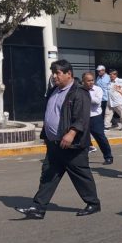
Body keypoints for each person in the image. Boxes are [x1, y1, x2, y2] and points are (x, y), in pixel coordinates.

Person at [14, 60, 101, 219]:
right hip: (54, 144)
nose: (54, 76)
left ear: (69, 74)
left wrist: (72, 133)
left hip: (72, 145)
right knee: (48, 175)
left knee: (81, 175)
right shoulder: (54, 90)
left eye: (58, 73)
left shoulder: (79, 92)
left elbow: (82, 118)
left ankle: (93, 204)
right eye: (53, 73)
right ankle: (38, 208)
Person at [80, 72, 114, 165]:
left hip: (95, 117)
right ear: (83, 81)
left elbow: (97, 101)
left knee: (100, 137)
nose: (91, 82)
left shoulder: (97, 89)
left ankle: (108, 156)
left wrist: (85, 95)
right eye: (88, 81)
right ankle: (82, 159)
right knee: (82, 138)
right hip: (83, 117)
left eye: (92, 80)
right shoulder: (79, 90)